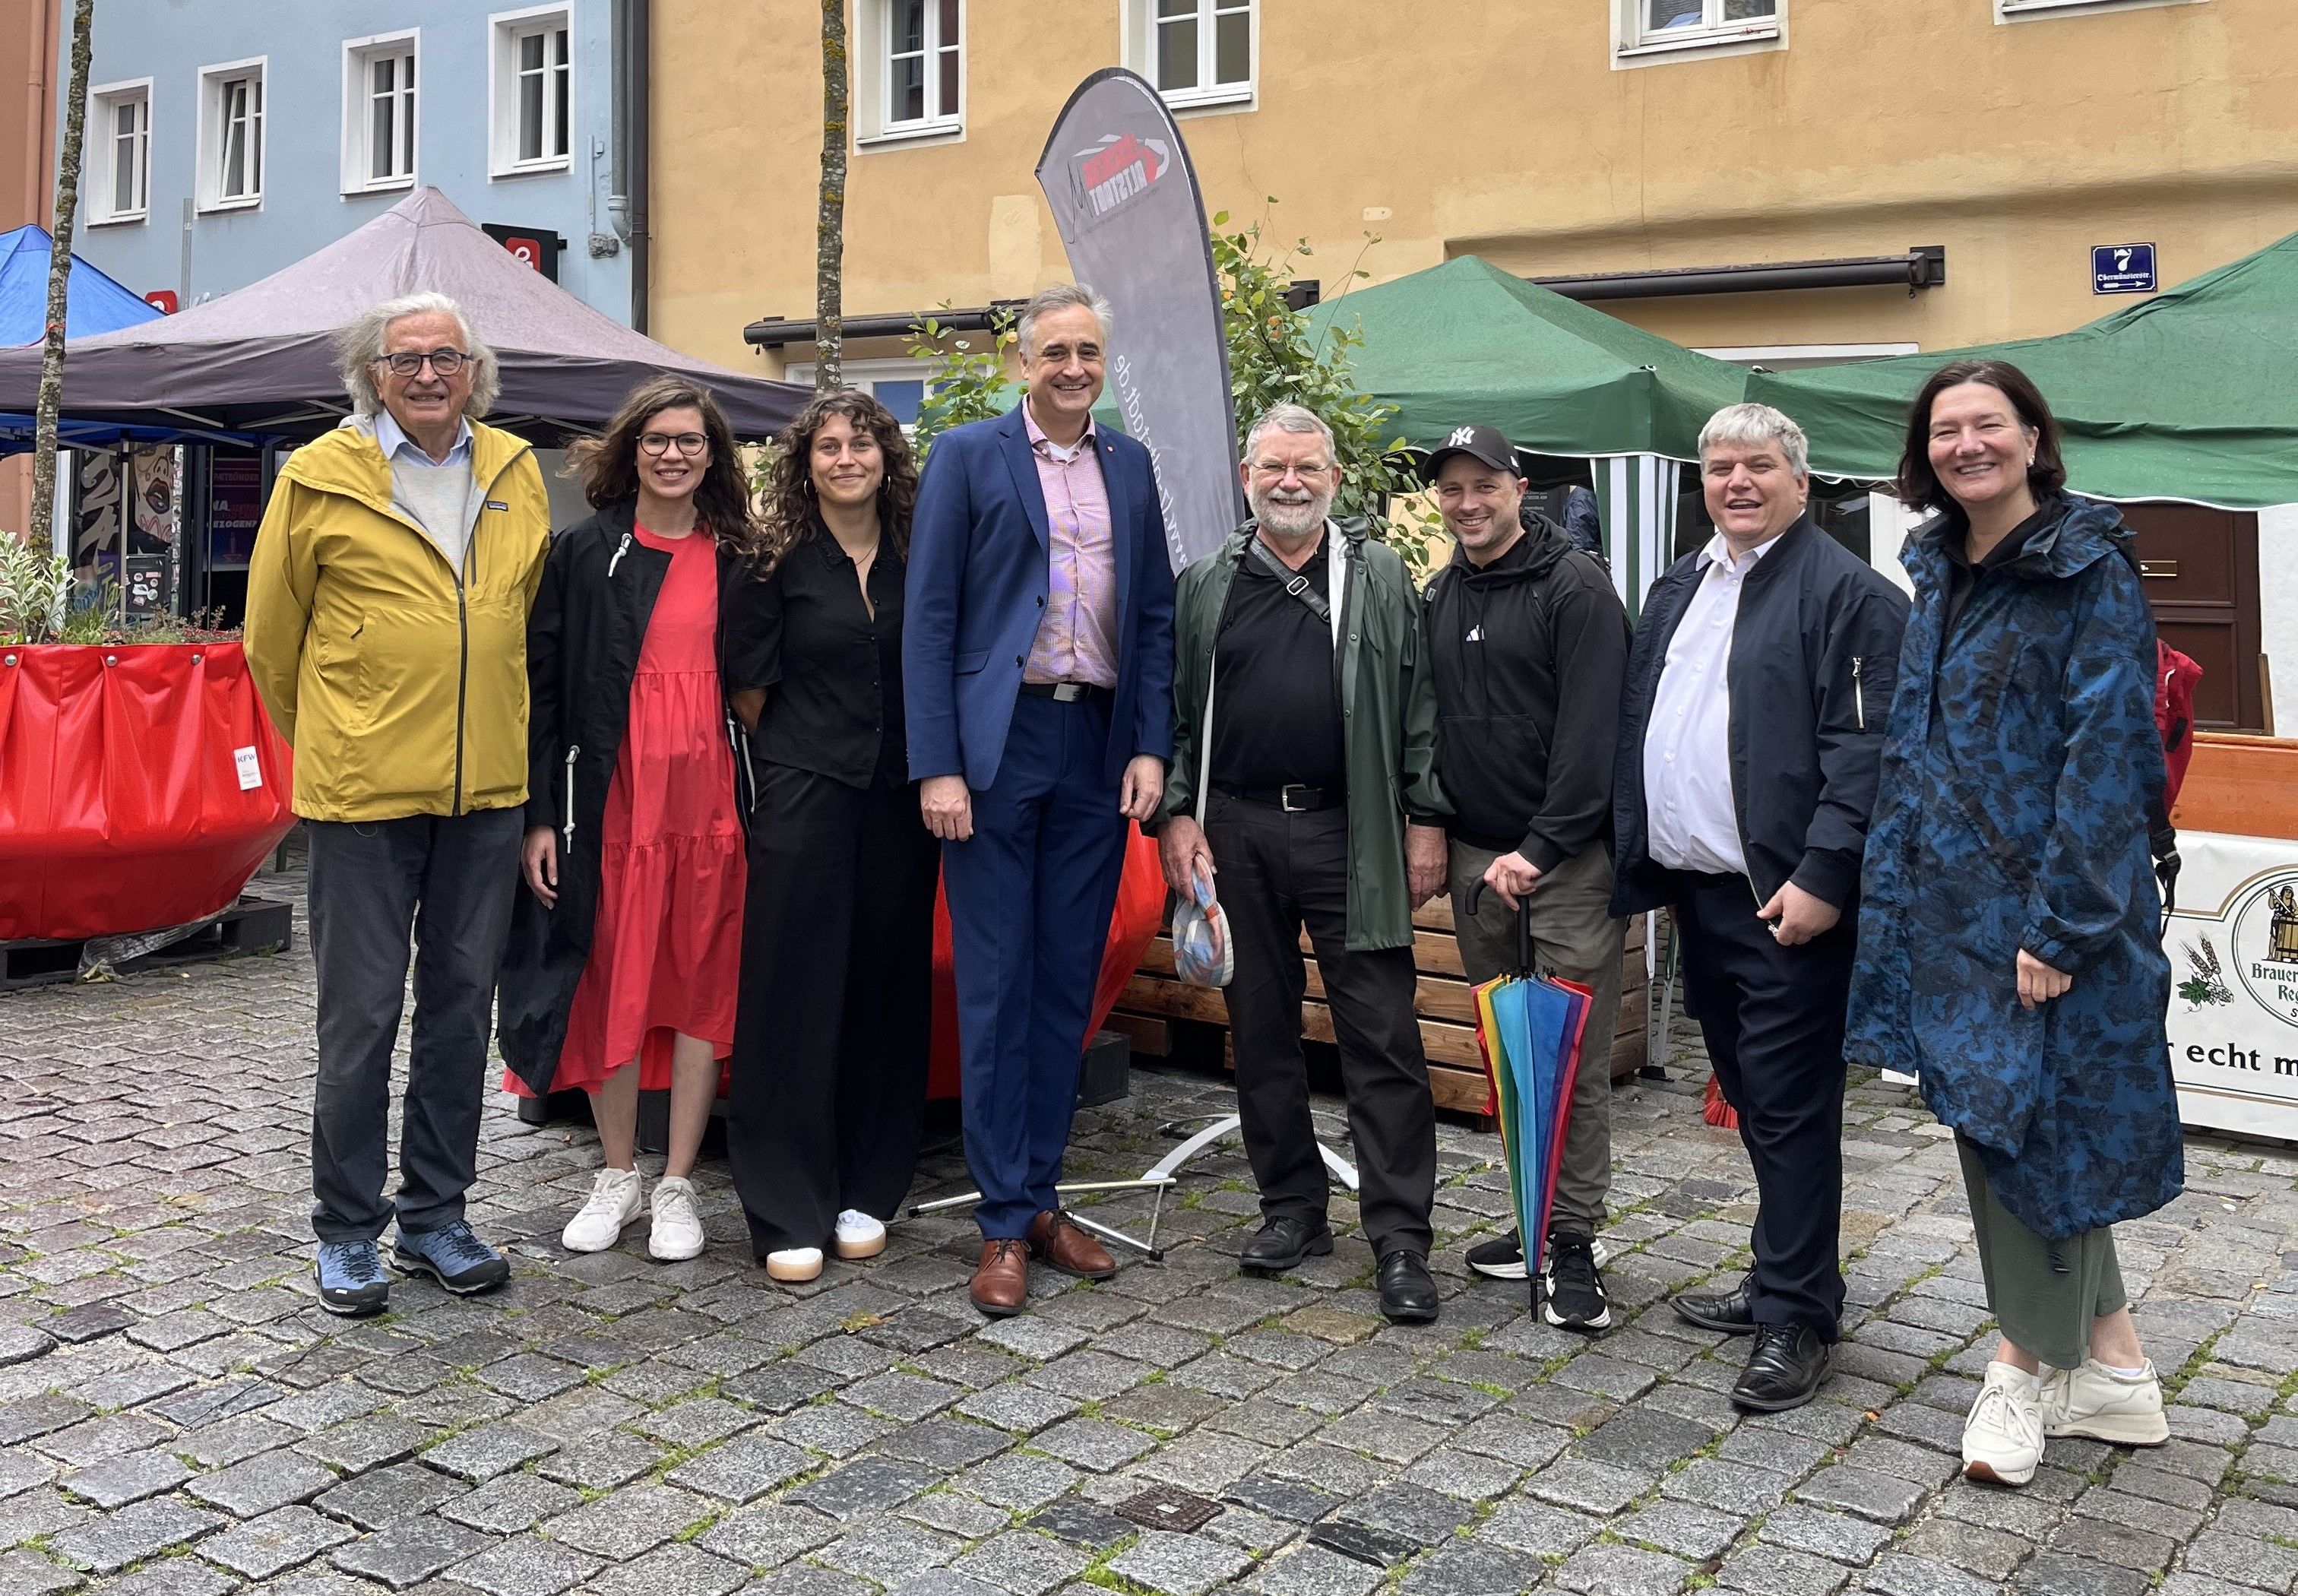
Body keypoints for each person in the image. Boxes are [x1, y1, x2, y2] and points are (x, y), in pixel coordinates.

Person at [1847, 360, 2179, 1486]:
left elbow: (2109, 760)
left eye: (1989, 423)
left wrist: (2062, 927)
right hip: (1944, 914)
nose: (1967, 444)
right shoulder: (1939, 567)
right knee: (2007, 1130)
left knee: (2028, 1136)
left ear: (2035, 437)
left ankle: (2019, 1374)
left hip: (2045, 921)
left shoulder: (2089, 570)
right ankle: (2117, 1369)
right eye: (1946, 430)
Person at [245, 291, 549, 1315]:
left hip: (486, 795)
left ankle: (435, 1216)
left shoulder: (514, 472)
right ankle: (345, 1229)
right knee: (361, 1018)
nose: (427, 372)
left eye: (446, 356)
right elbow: (269, 645)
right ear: (370, 373)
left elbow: (523, 630)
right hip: (362, 801)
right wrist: (346, 741)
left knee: (465, 1011)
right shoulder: (319, 477)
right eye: (405, 357)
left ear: (476, 371)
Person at [1612, 403, 1908, 1410]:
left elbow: (1864, 753)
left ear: (1802, 478)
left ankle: (1796, 1319)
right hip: (1700, 896)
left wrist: (1827, 876)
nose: (1738, 483)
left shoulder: (1850, 594)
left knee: (1788, 1107)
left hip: (1786, 900)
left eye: (1759, 467)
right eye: (1721, 468)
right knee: (1751, 1093)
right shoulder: (1682, 585)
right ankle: (1792, 1274)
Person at [905, 283, 1176, 1317]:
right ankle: (1000, 1221)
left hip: (1094, 745)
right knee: (995, 985)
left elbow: (1152, 619)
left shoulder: (1131, 466)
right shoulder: (971, 457)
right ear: (1023, 364)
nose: (1072, 367)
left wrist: (1150, 747)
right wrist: (937, 764)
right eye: (1055, 351)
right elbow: (931, 618)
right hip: (997, 744)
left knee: (1068, 986)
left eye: (1087, 353)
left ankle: (1042, 1196)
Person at [1157, 404, 1451, 1324]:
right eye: (1274, 467)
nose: (1291, 481)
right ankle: (1292, 1209)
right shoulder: (1207, 582)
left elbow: (1419, 704)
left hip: (1349, 831)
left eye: (1308, 467)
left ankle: (1400, 1238)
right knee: (1263, 1031)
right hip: (1234, 832)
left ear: (1334, 478)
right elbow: (1173, 715)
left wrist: (1426, 818)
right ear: (1248, 477)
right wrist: (1175, 814)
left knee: (1382, 1034)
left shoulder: (1379, 577)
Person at [496, 376, 755, 1265]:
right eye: (657, 440)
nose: (674, 454)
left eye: (691, 440)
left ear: (713, 457)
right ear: (630, 451)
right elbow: (542, 692)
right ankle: (617, 1172)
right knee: (610, 984)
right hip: (607, 805)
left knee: (696, 987)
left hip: (710, 810)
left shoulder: (741, 557)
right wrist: (539, 818)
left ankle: (680, 1180)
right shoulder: (582, 552)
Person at [720, 391, 940, 1283]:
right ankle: (784, 1204)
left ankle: (868, 1186)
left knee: (887, 988)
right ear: (803, 464)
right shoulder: (771, 561)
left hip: (903, 797)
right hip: (806, 791)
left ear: (887, 455)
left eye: (861, 443)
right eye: (828, 446)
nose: (846, 458)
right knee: (791, 992)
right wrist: (800, 761)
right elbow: (748, 690)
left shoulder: (921, 555)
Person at [1420, 426, 1630, 1331]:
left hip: (1565, 863)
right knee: (1510, 1047)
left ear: (1520, 486)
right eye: (1452, 489)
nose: (1467, 503)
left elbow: (1594, 739)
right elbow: (1427, 724)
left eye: (1483, 486)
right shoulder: (1441, 591)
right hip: (1477, 857)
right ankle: (1531, 1220)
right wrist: (1435, 826)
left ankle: (1576, 1244)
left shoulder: (1576, 588)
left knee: (1566, 1053)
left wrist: (1539, 850)